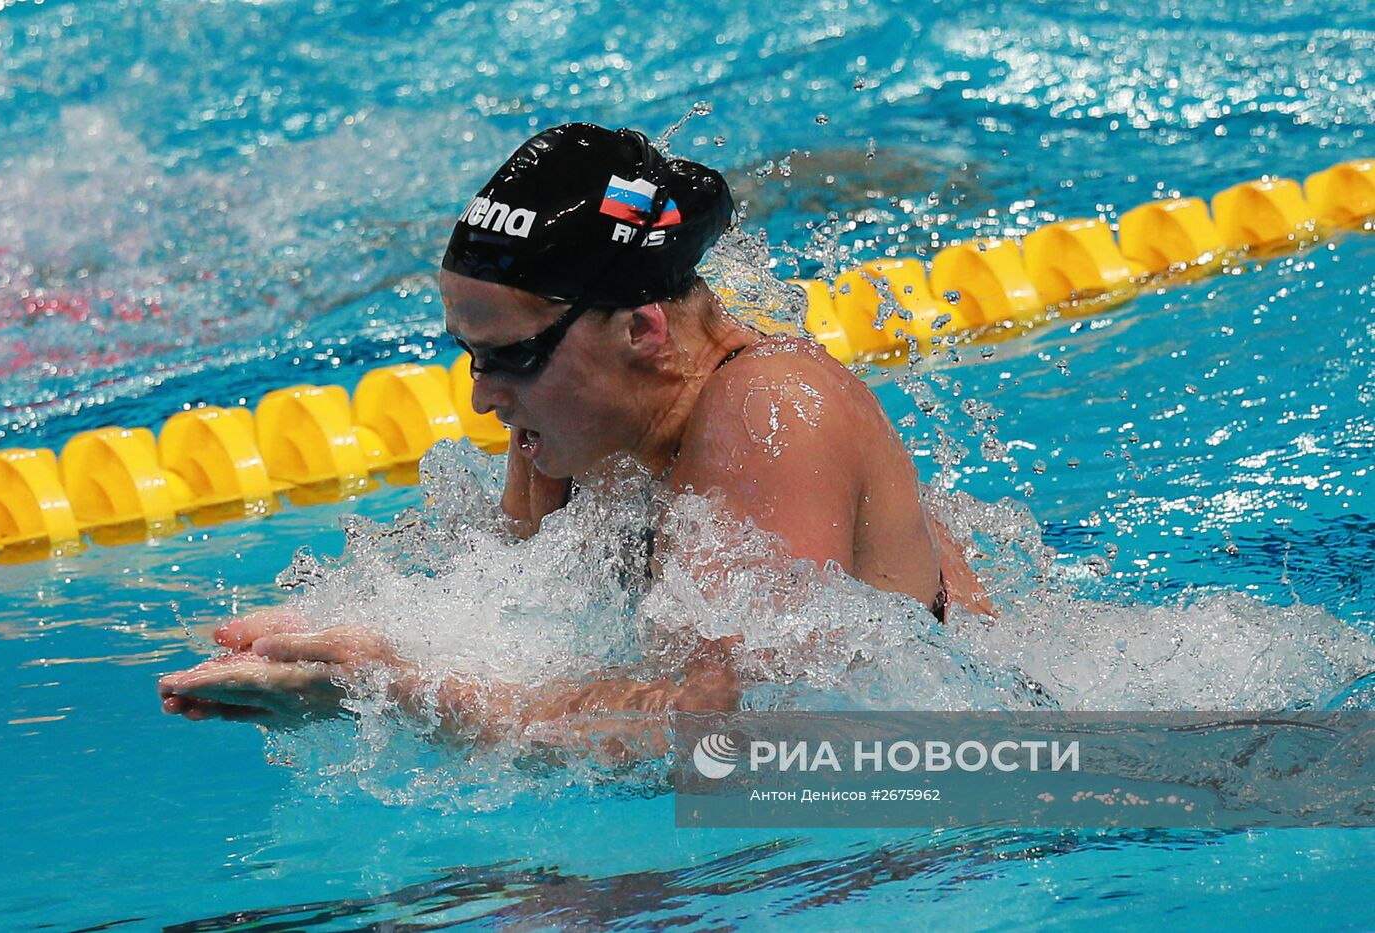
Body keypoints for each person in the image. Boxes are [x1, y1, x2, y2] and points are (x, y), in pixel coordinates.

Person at [158, 123, 989, 735]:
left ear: (641, 329)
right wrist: (330, 645)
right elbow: (508, 625)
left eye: (513, 356)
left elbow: (737, 733)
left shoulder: (770, 408)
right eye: (471, 357)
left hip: (961, 784)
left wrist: (404, 692)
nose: (483, 398)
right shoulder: (577, 431)